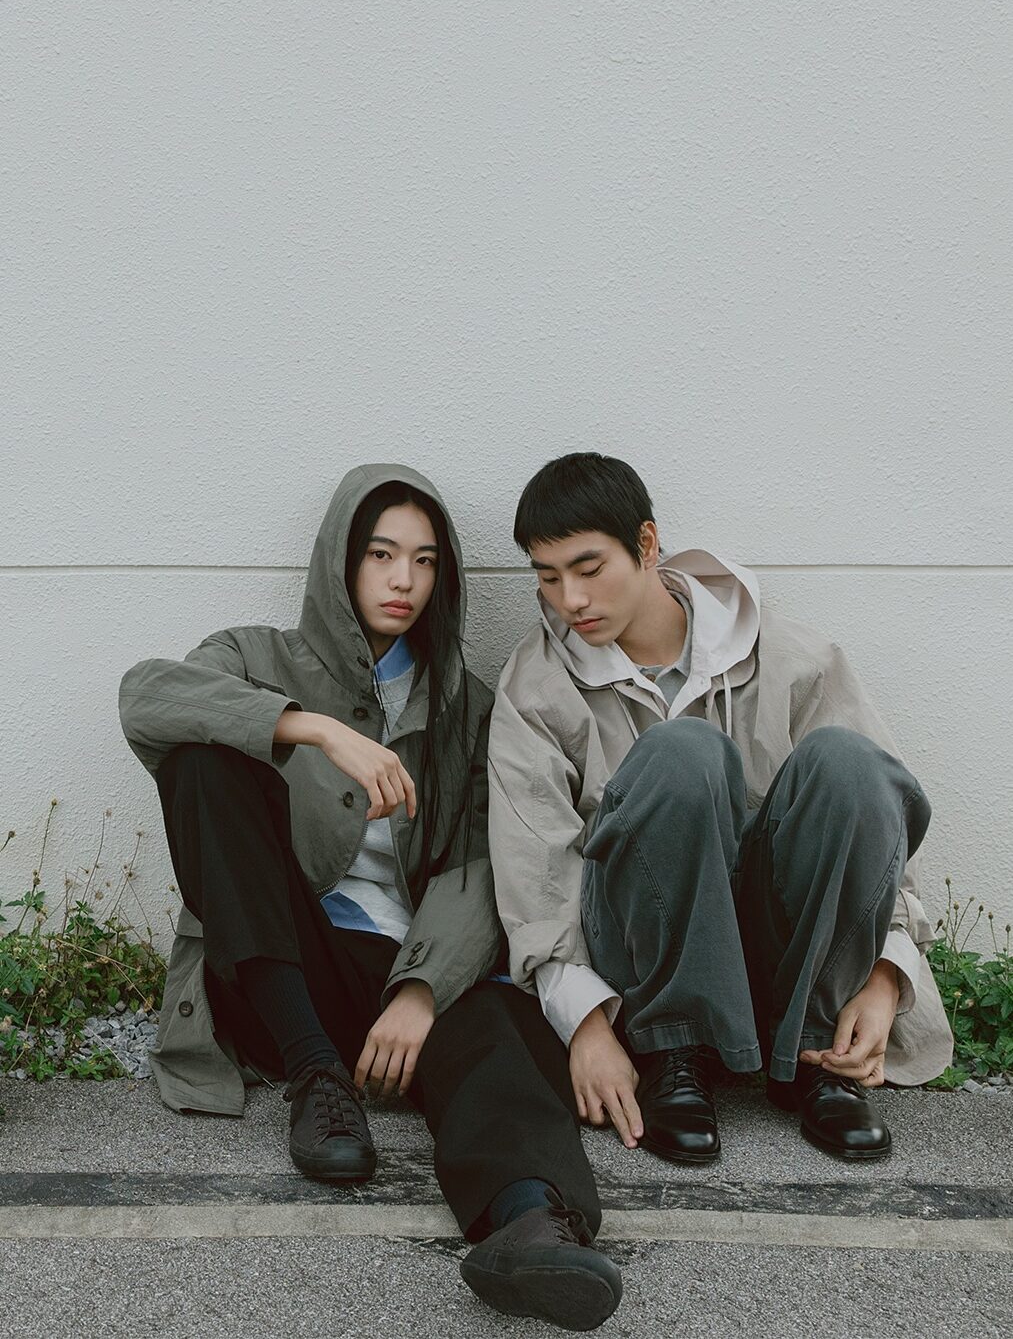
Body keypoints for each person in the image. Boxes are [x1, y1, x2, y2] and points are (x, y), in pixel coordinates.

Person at [119, 464, 622, 1331]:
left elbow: (481, 866)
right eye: (381, 555)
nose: (402, 580)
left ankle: (530, 1224)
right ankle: (317, 1075)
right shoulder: (254, 657)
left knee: (494, 1028)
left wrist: (420, 991)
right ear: (340, 561)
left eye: (424, 561)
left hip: (403, 972)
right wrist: (312, 729)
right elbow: (146, 696)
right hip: (284, 970)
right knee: (201, 764)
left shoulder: (467, 708)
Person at [489, 452, 953, 1165]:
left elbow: (876, 826)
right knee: (684, 752)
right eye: (547, 577)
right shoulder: (536, 684)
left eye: (588, 568)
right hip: (638, 966)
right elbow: (536, 867)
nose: (570, 599)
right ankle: (677, 1052)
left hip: (780, 954)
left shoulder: (792, 655)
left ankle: (815, 1053)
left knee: (850, 762)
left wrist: (886, 977)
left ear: (646, 544)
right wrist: (585, 1028)